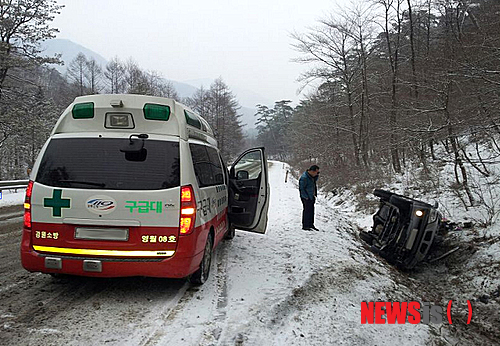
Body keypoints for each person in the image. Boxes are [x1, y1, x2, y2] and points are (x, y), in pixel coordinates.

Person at [299, 165, 320, 231]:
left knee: (311, 211)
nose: (317, 174)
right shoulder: (304, 177)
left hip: (311, 196)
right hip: (306, 197)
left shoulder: (311, 177)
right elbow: (301, 189)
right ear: (312, 171)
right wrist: (306, 197)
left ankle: (311, 224)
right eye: (317, 172)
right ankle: (305, 225)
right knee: (307, 211)